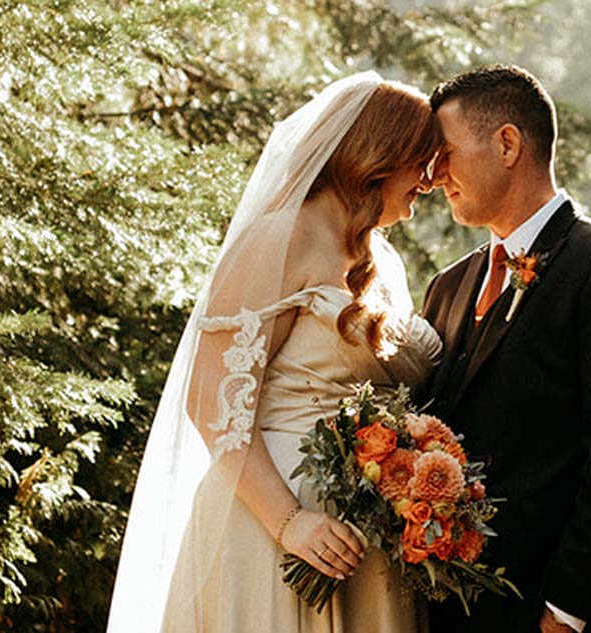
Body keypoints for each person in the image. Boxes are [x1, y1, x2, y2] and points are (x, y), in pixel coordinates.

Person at [106, 72, 442, 633]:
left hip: (362, 537)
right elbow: (212, 397)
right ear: (382, 154)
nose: (430, 181)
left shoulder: (383, 262)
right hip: (272, 526)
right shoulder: (277, 237)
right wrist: (291, 523)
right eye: (422, 160)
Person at [417, 64, 591, 633]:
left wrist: (567, 608)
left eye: (446, 152)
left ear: (507, 143)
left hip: (555, 616)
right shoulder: (447, 287)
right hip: (451, 613)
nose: (435, 176)